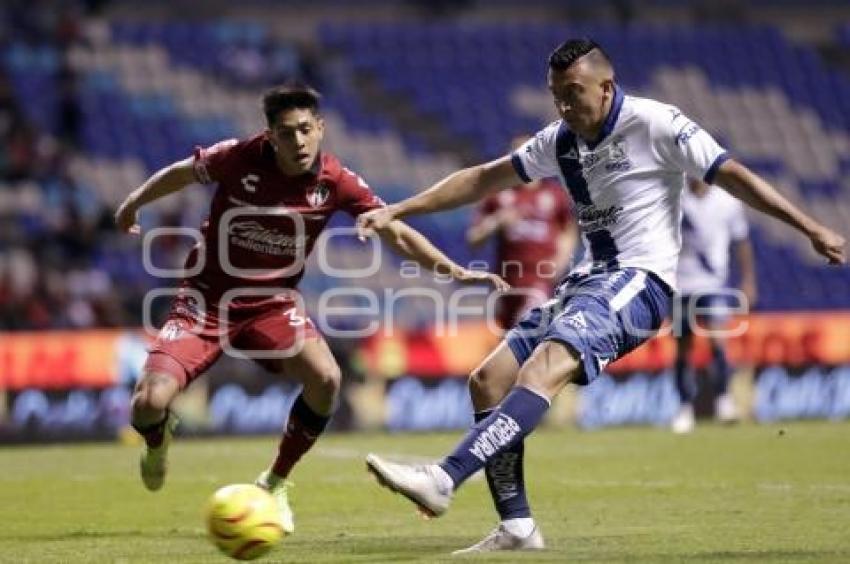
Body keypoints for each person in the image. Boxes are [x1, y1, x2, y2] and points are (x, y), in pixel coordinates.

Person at [356, 39, 846, 554]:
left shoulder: (657, 123)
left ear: (606, 86)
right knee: (487, 381)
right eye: (556, 96)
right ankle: (518, 527)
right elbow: (483, 178)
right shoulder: (559, 139)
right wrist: (398, 210)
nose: (564, 107)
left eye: (573, 93)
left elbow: (732, 175)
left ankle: (445, 477)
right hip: (584, 283)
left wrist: (810, 227)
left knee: (543, 368)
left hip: (641, 283)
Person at [114, 82, 507, 535]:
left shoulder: (335, 181)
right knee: (147, 403)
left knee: (327, 378)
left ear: (320, 128)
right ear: (270, 136)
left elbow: (392, 231)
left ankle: (275, 482)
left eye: (305, 130)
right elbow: (181, 172)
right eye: (286, 133)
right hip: (204, 303)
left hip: (271, 305)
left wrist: (455, 272)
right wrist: (133, 203)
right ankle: (158, 436)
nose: (298, 141)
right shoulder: (237, 157)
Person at [670, 177, 757, 433]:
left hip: (713, 284)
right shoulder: (674, 197)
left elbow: (741, 241)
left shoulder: (727, 202)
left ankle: (723, 399)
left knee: (718, 339)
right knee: (683, 346)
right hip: (679, 283)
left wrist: (748, 280)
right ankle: (685, 407)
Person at [466, 134, 577, 331]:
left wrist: (560, 261)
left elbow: (568, 231)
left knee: (530, 325)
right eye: (517, 155)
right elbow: (473, 238)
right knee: (510, 339)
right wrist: (496, 221)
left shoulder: (554, 194)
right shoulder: (498, 194)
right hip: (507, 281)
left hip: (540, 278)